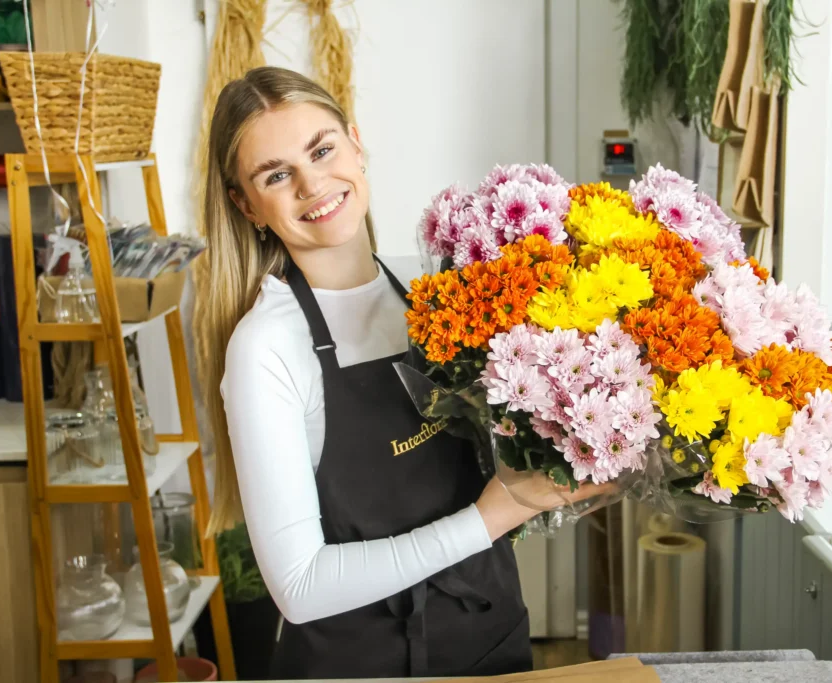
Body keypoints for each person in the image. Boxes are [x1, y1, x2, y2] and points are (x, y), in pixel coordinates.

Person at [200, 66, 605, 679]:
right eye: (277, 175)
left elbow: (492, 462)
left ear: (357, 146)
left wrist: (572, 460)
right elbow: (301, 587)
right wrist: (496, 515)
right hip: (360, 666)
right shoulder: (267, 349)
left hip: (493, 642)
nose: (313, 184)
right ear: (246, 205)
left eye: (322, 150)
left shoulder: (434, 292)